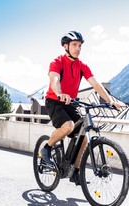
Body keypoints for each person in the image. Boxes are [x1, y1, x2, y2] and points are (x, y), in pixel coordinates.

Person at [40, 30, 120, 185]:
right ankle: (47, 148)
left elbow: (95, 84)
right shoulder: (57, 62)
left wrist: (110, 101)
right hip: (54, 101)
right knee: (69, 125)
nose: (78, 48)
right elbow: (54, 80)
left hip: (71, 103)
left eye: (80, 46)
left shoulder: (82, 66)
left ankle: (76, 171)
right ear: (65, 46)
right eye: (75, 45)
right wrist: (60, 93)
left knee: (84, 133)